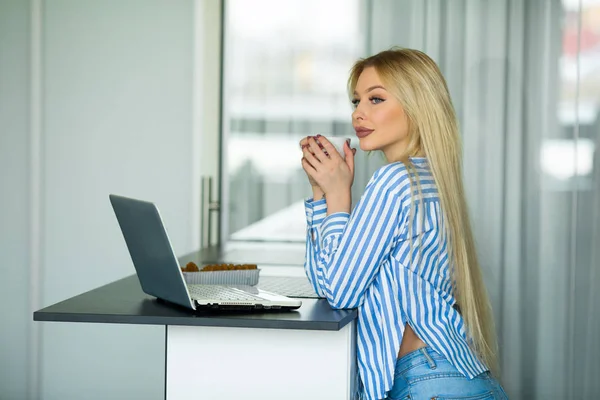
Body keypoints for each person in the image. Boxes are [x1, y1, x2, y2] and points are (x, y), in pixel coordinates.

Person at [299, 48, 508, 400]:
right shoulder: (431, 179)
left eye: (375, 99)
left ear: (417, 105)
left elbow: (340, 292)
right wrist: (322, 195)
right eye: (356, 101)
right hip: (451, 378)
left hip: (429, 384)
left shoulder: (394, 181)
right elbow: (327, 283)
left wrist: (338, 198)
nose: (358, 114)